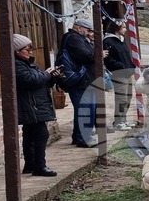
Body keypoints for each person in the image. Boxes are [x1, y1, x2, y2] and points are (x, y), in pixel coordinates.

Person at [13, 34, 62, 177]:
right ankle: (39, 166)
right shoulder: (16, 64)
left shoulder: (27, 63)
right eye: (27, 49)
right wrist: (47, 75)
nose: (30, 52)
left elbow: (40, 81)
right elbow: (31, 80)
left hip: (35, 104)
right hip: (30, 105)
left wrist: (52, 77)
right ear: (17, 50)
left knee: (30, 135)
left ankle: (30, 165)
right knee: (41, 134)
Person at [59, 17, 98, 147]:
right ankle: (83, 139)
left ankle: (78, 137)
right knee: (85, 110)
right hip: (81, 80)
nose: (89, 33)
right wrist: (98, 54)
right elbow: (87, 56)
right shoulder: (74, 38)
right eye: (87, 30)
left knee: (84, 109)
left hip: (84, 80)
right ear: (79, 28)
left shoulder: (76, 38)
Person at [103, 19, 135, 131]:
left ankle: (123, 119)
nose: (125, 30)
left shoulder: (121, 40)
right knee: (121, 98)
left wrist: (131, 66)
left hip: (127, 72)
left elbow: (126, 56)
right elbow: (107, 59)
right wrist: (120, 65)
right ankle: (118, 121)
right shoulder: (108, 41)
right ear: (116, 28)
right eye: (123, 27)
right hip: (119, 73)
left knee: (128, 97)